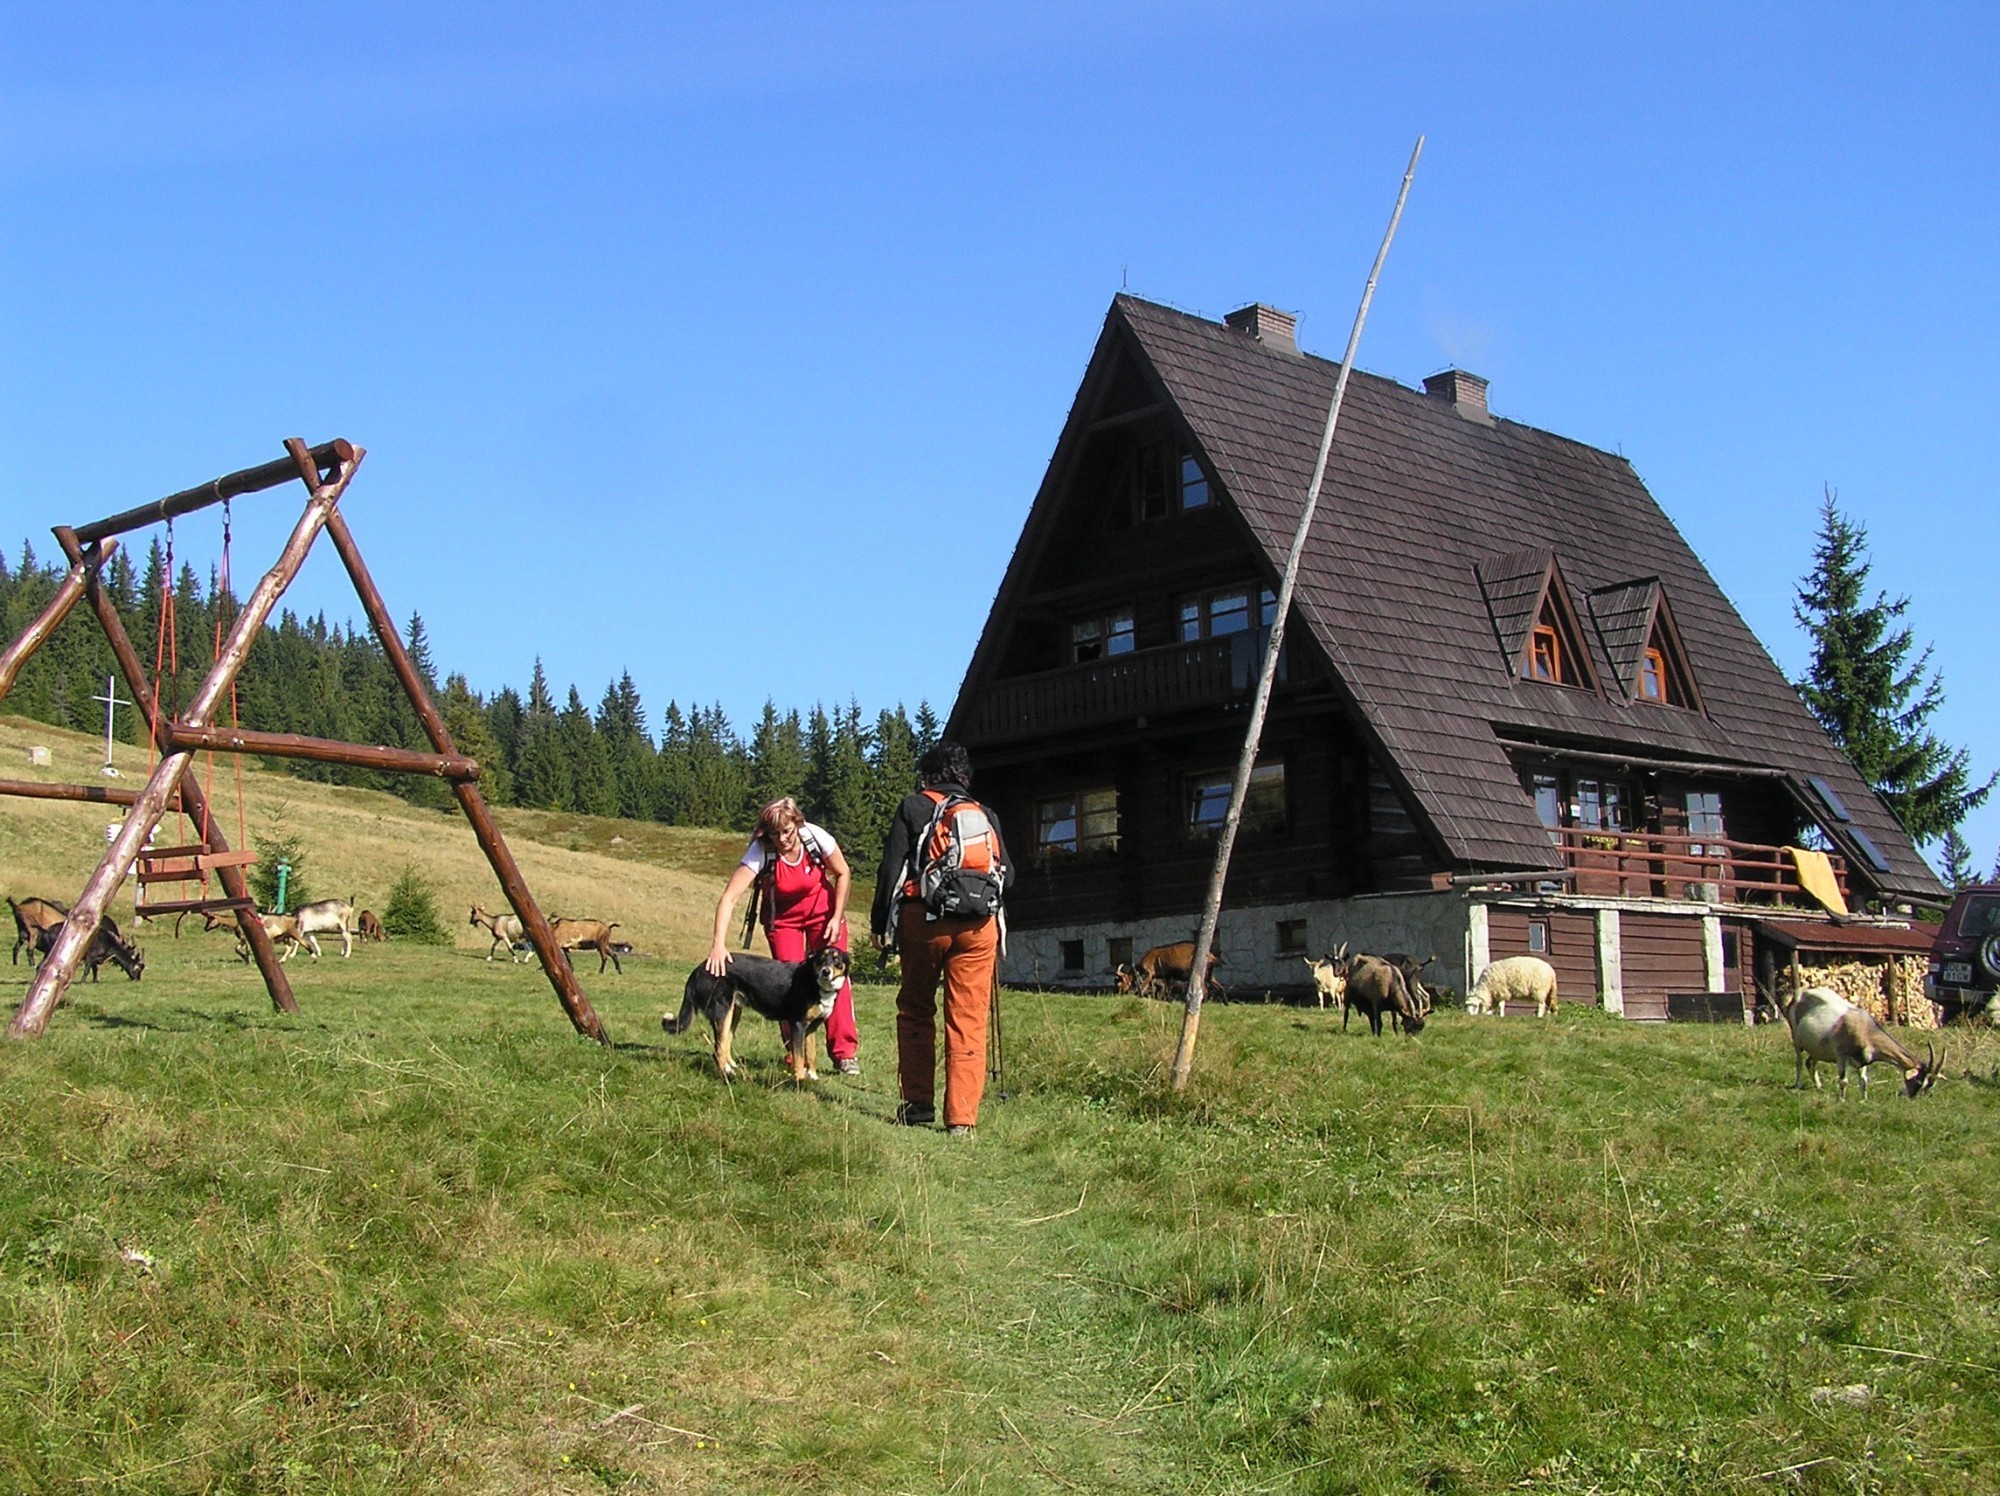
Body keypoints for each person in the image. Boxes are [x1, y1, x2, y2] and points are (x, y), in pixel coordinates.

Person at [872, 742, 1012, 1135]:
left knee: (916, 1008)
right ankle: (962, 1119)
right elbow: (1009, 874)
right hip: (979, 927)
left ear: (929, 775)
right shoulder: (984, 815)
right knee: (967, 1018)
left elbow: (890, 870)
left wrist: (880, 923)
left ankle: (918, 1105)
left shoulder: (914, 807)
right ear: (965, 777)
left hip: (925, 921)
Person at [706, 797, 859, 1074]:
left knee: (836, 980)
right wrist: (718, 944)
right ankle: (795, 1053)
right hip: (783, 920)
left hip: (824, 914)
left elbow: (843, 872)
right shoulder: (761, 851)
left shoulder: (815, 837)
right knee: (789, 986)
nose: (783, 838)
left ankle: (844, 1053)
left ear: (797, 823)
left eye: (787, 831)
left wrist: (837, 916)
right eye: (775, 833)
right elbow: (729, 898)